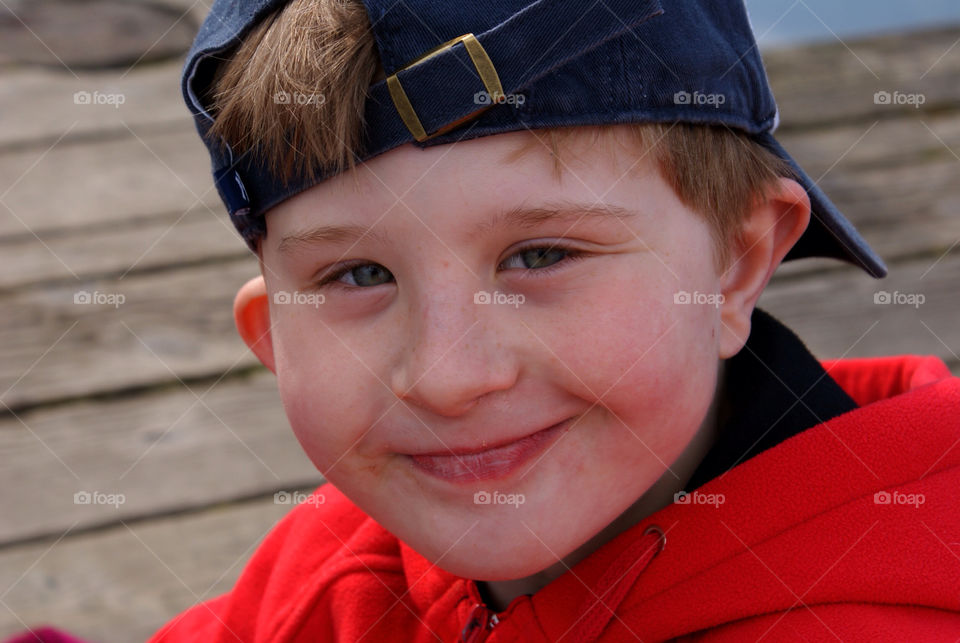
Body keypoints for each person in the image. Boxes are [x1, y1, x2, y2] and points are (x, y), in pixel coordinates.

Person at [148, 0, 960, 639]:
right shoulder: (337, 566)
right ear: (272, 337)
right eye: (358, 274)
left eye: (539, 256)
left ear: (736, 267)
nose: (448, 377)